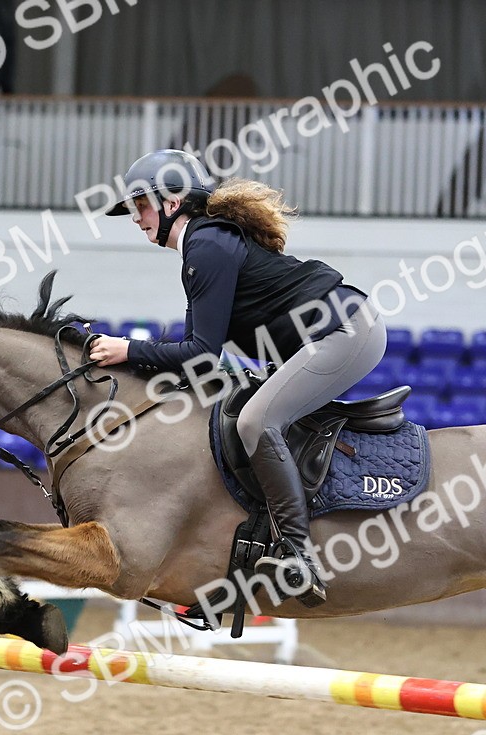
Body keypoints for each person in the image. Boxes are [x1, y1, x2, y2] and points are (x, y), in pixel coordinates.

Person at [89, 150, 387, 607]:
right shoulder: (203, 246)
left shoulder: (206, 245)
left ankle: (299, 557)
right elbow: (200, 358)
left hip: (344, 330)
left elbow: (199, 353)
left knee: (255, 423)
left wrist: (126, 349)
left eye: (140, 205)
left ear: (172, 202)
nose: (135, 218)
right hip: (331, 330)